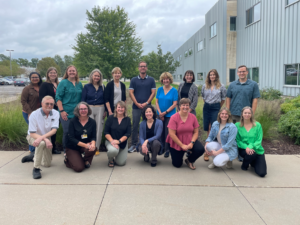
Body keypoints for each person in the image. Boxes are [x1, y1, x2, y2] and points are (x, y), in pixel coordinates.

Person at [166, 98, 205, 170]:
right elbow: (172, 134)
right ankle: (183, 153)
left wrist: (192, 143)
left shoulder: (193, 117)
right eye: (183, 105)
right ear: (179, 106)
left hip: (189, 139)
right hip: (176, 142)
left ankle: (189, 160)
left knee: (200, 149)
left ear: (189, 106)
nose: (185, 107)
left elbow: (196, 132)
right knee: (177, 164)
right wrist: (182, 145)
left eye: (187, 105)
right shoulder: (173, 117)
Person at [26, 96, 59, 179]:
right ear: (42, 104)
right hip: (33, 137)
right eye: (47, 103)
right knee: (41, 143)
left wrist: (45, 139)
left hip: (46, 137)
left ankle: (33, 156)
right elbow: (32, 133)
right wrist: (45, 139)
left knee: (47, 164)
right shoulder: (34, 114)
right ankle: (36, 168)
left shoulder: (55, 113)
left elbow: (54, 130)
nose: (49, 105)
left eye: (51, 104)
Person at [128, 61, 156, 153]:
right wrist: (136, 103)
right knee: (135, 126)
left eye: (144, 66)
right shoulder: (134, 80)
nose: (143, 68)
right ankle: (134, 145)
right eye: (141, 66)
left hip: (147, 108)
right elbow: (131, 92)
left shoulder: (151, 80)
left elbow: (153, 92)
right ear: (138, 68)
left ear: (146, 68)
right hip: (136, 107)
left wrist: (147, 103)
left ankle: (147, 144)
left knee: (149, 125)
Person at [56, 65, 83, 154]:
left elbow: (82, 98)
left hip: (78, 113)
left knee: (78, 132)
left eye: (73, 71)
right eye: (70, 71)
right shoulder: (63, 83)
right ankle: (66, 150)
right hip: (66, 112)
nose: (72, 72)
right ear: (67, 72)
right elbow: (58, 98)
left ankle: (76, 149)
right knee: (67, 132)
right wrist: (62, 111)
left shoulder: (79, 83)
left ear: (76, 72)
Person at [201, 69, 227, 161]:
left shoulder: (221, 86)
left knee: (214, 127)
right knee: (207, 127)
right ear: (208, 76)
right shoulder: (205, 86)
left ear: (216, 76)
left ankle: (213, 149)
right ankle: (207, 149)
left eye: (213, 75)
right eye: (210, 75)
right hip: (206, 107)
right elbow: (203, 97)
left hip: (216, 107)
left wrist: (217, 107)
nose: (212, 76)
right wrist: (208, 105)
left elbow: (223, 98)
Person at [64, 102, 97, 172]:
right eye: (81, 109)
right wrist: (86, 145)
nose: (83, 111)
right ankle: (68, 159)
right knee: (79, 168)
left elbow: (93, 137)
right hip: (72, 147)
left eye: (85, 109)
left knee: (93, 148)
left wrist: (93, 144)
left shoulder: (92, 122)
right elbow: (71, 138)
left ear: (88, 110)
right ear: (78, 110)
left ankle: (85, 160)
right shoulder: (73, 121)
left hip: (84, 146)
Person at [235, 107, 267, 177]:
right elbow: (238, 140)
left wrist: (250, 147)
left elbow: (259, 140)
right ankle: (244, 166)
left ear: (252, 114)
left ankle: (252, 162)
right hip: (244, 149)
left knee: (262, 173)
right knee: (251, 154)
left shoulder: (257, 125)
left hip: (257, 149)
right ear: (242, 114)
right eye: (245, 113)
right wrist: (246, 147)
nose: (247, 114)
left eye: (249, 113)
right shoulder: (237, 125)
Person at [82, 69, 106, 155]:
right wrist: (83, 111)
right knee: (88, 129)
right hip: (89, 109)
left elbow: (105, 99)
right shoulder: (87, 86)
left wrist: (105, 111)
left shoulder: (102, 86)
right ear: (92, 76)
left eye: (98, 76)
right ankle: (88, 147)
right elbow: (83, 100)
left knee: (99, 129)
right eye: (95, 75)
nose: (97, 77)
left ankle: (96, 148)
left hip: (100, 108)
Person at [21, 72, 43, 163]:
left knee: (39, 130)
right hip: (28, 113)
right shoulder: (27, 88)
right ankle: (32, 151)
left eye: (36, 77)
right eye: (33, 77)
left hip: (40, 113)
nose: (35, 78)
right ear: (30, 78)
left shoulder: (42, 87)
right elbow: (23, 101)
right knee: (32, 130)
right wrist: (30, 112)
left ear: (39, 78)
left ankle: (37, 150)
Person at [155, 72, 178, 158]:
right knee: (160, 132)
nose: (165, 80)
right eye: (164, 79)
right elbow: (156, 102)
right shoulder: (160, 89)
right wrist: (160, 112)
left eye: (167, 79)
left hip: (170, 115)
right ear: (162, 80)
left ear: (170, 79)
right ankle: (161, 148)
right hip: (159, 114)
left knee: (168, 133)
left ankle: (168, 149)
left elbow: (175, 103)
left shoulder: (174, 90)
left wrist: (165, 112)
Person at [39, 67, 61, 155]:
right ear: (48, 74)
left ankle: (53, 148)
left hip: (57, 110)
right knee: (47, 129)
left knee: (54, 129)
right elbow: (42, 98)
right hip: (48, 110)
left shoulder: (58, 84)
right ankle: (46, 147)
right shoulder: (45, 85)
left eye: (54, 72)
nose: (53, 74)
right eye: (51, 72)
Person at [104, 101, 131, 167]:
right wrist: (112, 141)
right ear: (116, 108)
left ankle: (118, 154)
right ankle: (110, 159)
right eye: (119, 107)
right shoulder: (110, 118)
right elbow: (106, 132)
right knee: (113, 151)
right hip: (111, 141)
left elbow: (128, 133)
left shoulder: (127, 119)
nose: (120, 109)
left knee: (121, 163)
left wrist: (119, 141)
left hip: (122, 142)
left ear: (125, 109)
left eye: (122, 107)